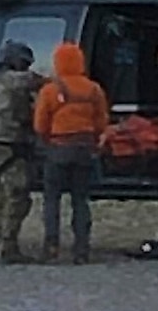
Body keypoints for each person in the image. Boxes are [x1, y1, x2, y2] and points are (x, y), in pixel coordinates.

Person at [31, 43, 109, 264]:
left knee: (52, 199)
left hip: (58, 149)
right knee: (80, 200)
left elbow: (40, 123)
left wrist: (47, 144)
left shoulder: (50, 90)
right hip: (84, 149)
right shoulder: (94, 89)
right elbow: (101, 121)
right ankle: (82, 250)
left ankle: (51, 246)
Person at [0, 40, 46, 263]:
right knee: (18, 197)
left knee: (4, 199)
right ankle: (7, 248)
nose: (26, 67)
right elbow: (39, 81)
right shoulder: (12, 80)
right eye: (24, 63)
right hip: (5, 144)